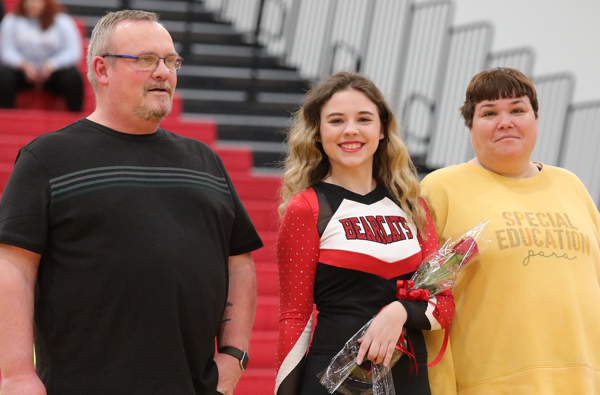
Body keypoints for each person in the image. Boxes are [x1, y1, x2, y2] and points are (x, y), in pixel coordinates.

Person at [0, 10, 263, 395]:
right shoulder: (47, 158)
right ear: (101, 70)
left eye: (171, 61)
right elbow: (13, 269)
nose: (164, 72)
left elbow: (239, 262)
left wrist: (234, 356)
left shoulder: (205, 161)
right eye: (145, 60)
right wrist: (16, 373)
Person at [421, 67, 600, 395]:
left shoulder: (571, 185)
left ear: (535, 118)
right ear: (470, 125)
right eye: (489, 112)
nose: (506, 121)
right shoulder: (440, 188)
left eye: (518, 110)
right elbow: (426, 301)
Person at [275, 71, 454, 395]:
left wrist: (399, 312)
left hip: (408, 381)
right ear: (317, 132)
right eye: (336, 120)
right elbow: (295, 319)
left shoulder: (413, 206)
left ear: (382, 129)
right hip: (334, 380)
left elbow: (444, 304)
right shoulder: (306, 208)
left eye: (364, 119)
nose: (351, 130)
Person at [0, 0, 83, 111]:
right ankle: (6, 116)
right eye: (28, 2)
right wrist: (24, 65)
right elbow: (6, 51)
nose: (31, 5)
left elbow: (73, 52)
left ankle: (76, 117)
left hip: (53, 72)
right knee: (4, 75)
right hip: (22, 71)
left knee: (73, 77)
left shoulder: (62, 21)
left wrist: (51, 65)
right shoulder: (11, 20)